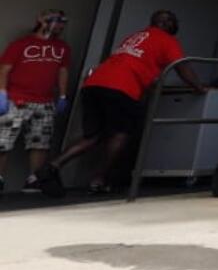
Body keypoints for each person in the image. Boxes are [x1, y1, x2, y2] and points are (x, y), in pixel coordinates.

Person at [35, 10, 206, 197]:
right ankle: (98, 180)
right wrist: (199, 88)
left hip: (95, 85)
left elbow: (137, 65)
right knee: (121, 134)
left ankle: (51, 166)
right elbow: (182, 67)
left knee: (92, 136)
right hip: (121, 89)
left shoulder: (135, 36)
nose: (175, 24)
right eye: (173, 21)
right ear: (167, 24)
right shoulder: (166, 39)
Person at [0, 10, 72, 195]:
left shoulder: (62, 47)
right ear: (41, 20)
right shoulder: (21, 44)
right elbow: (4, 69)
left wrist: (63, 96)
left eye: (63, 21)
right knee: (3, 142)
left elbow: (63, 71)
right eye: (55, 20)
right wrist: (2, 93)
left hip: (45, 101)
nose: (59, 24)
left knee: (40, 142)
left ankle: (34, 180)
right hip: (16, 99)